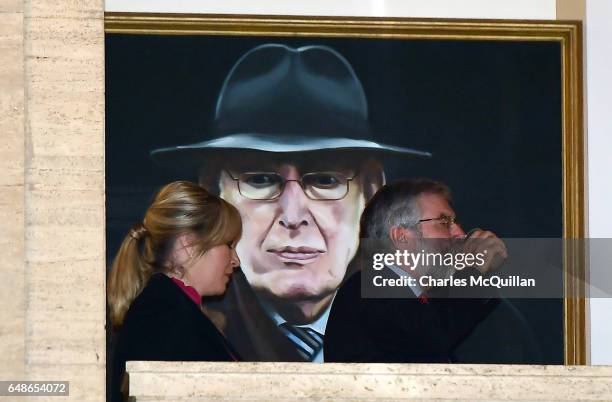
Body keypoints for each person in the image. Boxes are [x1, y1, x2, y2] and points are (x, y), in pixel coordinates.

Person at [150, 43, 430, 362]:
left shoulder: (407, 319)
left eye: (325, 180)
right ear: (214, 191)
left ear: (370, 193)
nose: (293, 216)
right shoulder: (184, 330)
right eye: (259, 180)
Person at [325, 179, 540, 363]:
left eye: (456, 223)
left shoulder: (425, 304)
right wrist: (473, 269)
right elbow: (431, 337)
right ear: (402, 237)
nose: (459, 234)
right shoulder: (368, 288)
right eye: (444, 223)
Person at [107, 181, 242, 402]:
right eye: (228, 244)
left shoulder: (170, 309)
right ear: (187, 247)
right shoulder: (163, 312)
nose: (235, 260)